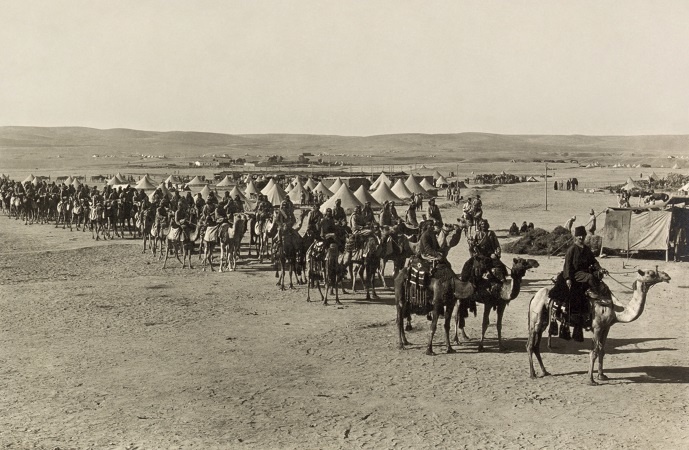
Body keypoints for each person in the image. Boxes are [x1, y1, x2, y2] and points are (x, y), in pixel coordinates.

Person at [562, 225, 608, 341]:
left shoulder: (586, 249)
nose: (581, 238)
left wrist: (600, 269)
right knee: (590, 278)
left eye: (583, 236)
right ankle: (595, 293)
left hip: (585, 272)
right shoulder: (572, 249)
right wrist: (567, 278)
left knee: (597, 277)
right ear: (575, 237)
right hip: (576, 274)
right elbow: (567, 265)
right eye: (579, 236)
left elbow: (594, 261)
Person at [460, 218, 506, 284]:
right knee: (468, 264)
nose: (483, 226)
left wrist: (496, 254)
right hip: (479, 254)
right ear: (480, 225)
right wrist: (472, 246)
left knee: (499, 265)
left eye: (485, 224)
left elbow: (497, 245)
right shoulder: (477, 234)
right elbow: (472, 247)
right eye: (482, 224)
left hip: (490, 254)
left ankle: (502, 280)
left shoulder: (491, 233)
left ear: (487, 225)